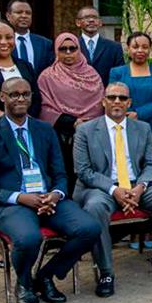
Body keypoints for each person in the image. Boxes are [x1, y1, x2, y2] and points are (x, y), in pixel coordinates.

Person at [0, 77, 101, 303]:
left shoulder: (44, 130)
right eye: (14, 94)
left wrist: (56, 195)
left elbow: (60, 173)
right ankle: (24, 283)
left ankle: (46, 276)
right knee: (29, 238)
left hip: (47, 199)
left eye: (26, 94)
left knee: (89, 229)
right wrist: (20, 198)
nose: (21, 98)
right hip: (9, 204)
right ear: (2, 97)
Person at [73, 82, 152, 296]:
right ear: (103, 101)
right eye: (112, 97)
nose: (117, 101)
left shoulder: (142, 128)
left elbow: (151, 165)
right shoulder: (86, 130)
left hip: (137, 185)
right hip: (101, 188)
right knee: (95, 207)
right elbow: (83, 171)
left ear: (129, 102)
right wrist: (114, 190)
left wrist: (140, 188)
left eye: (122, 98)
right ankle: (106, 272)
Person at [37, 32, 105, 197]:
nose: (68, 53)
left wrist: (85, 123)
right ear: (56, 51)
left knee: (90, 171)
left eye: (72, 49)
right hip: (60, 134)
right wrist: (72, 121)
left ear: (79, 50)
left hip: (90, 132)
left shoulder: (92, 74)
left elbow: (99, 102)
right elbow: (46, 107)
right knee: (63, 172)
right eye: (63, 49)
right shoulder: (47, 76)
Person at [108, 32, 152, 161]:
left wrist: (138, 113)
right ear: (128, 49)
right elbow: (113, 98)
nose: (140, 50)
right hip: (126, 123)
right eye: (135, 47)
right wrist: (128, 115)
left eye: (145, 47)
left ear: (150, 49)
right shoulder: (117, 73)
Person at [76, 6, 124, 85]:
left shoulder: (114, 47)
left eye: (95, 17)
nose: (91, 20)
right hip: (79, 94)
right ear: (78, 22)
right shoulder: (72, 47)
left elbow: (119, 75)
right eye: (87, 17)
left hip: (105, 94)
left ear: (100, 22)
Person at [5, 0, 53, 75]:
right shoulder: (1, 43)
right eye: (19, 12)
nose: (24, 16)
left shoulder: (45, 44)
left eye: (28, 13)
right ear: (8, 16)